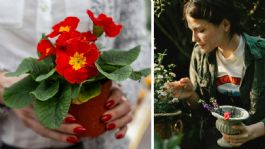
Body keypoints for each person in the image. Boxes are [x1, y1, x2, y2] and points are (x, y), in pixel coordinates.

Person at [0, 0, 150, 149]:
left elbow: (135, 41)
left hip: (99, 140)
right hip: (8, 138)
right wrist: (4, 87)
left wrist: (121, 93)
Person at [165, 0, 265, 148]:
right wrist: (191, 95)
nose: (194, 39)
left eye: (201, 30)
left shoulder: (261, 53)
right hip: (216, 140)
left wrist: (253, 132)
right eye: (191, 30)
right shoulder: (200, 54)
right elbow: (205, 109)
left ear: (225, 25)